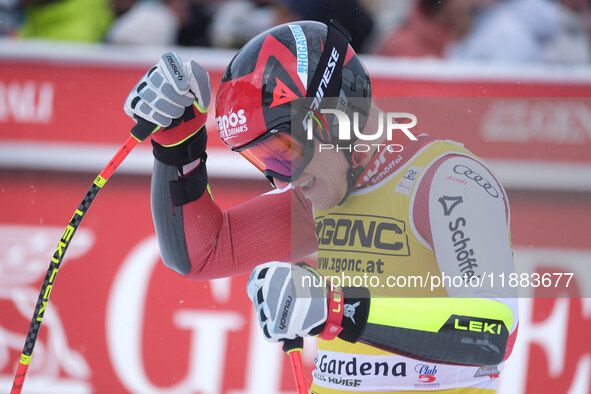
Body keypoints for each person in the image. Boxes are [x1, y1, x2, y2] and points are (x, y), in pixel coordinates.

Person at [124, 20, 518, 393]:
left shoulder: (450, 181)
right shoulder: (323, 190)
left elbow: (493, 333)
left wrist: (337, 310)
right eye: (263, 162)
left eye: (283, 153)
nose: (283, 180)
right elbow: (201, 253)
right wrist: (179, 147)